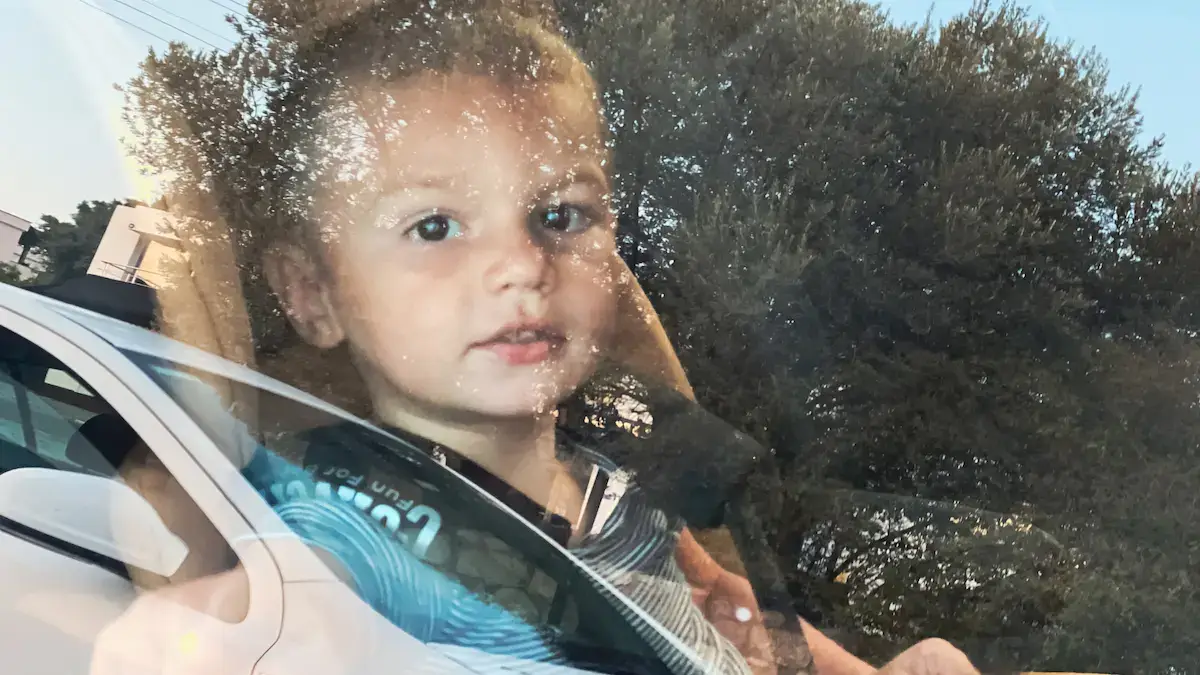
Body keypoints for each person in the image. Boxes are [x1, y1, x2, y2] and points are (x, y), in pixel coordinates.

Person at [95, 5, 980, 675]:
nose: (521, 263)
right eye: (436, 226)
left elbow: (730, 622)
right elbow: (238, 615)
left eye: (561, 214)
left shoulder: (627, 492)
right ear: (312, 293)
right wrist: (179, 631)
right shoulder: (352, 527)